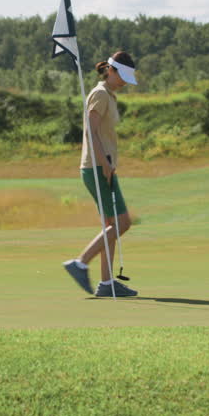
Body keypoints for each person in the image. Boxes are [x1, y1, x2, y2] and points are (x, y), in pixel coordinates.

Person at [63, 51, 140, 298]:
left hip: (102, 166)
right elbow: (90, 131)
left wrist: (108, 164)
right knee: (122, 222)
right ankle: (80, 263)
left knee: (111, 225)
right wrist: (104, 164)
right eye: (122, 76)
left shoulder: (109, 95)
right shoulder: (100, 94)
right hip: (97, 167)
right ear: (111, 71)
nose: (125, 82)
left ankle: (106, 283)